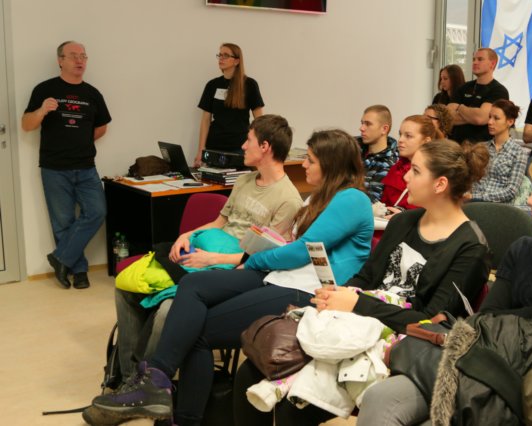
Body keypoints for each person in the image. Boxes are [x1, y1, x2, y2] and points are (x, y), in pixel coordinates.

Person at [89, 129, 374, 425]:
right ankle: (157, 381)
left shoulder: (352, 199)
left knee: (197, 333)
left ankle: (171, 403)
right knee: (192, 284)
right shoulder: (317, 198)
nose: (304, 164)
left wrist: (252, 260)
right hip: (280, 276)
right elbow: (294, 248)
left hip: (308, 293)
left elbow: (302, 251)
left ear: (331, 164)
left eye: (311, 160)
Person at [356, 146, 532, 425]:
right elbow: (484, 321)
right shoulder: (524, 249)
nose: (531, 200)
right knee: (379, 398)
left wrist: (511, 327)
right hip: (481, 365)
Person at [232, 139, 492, 426]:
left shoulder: (470, 248)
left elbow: (430, 323)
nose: (405, 176)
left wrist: (356, 303)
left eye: (416, 171)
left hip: (400, 344)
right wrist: (339, 293)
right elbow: (367, 277)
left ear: (440, 184)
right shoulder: (403, 222)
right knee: (251, 372)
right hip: (357, 319)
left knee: (295, 404)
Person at [111, 114, 302, 381]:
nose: (243, 146)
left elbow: (261, 257)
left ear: (265, 147)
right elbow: (219, 222)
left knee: (167, 307)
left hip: (234, 270)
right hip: (206, 254)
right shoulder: (245, 181)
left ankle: (148, 380)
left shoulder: (289, 200)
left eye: (248, 140)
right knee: (126, 286)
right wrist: (187, 235)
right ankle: (129, 376)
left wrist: (210, 259)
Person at [21, 41, 111, 290]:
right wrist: (42, 110)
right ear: (60, 60)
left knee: (97, 212)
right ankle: (79, 271)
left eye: (83, 56)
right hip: (54, 167)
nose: (80, 60)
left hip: (86, 166)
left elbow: (102, 126)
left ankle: (60, 258)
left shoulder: (92, 93)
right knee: (63, 222)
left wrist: (80, 142)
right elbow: (26, 125)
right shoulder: (44, 89)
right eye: (73, 56)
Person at [194, 43, 264, 166]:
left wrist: (258, 146)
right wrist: (201, 149)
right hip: (214, 147)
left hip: (239, 148)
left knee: (238, 179)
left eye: (226, 55)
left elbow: (260, 120)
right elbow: (205, 120)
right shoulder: (212, 85)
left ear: (236, 61)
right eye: (220, 55)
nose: (221, 58)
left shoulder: (249, 84)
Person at [471, 99, 528, 204]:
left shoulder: (518, 153)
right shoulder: (482, 147)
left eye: (496, 118)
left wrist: (477, 197)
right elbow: (471, 179)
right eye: (490, 117)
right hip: (473, 201)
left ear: (510, 122)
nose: (490, 122)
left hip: (498, 206)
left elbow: (511, 191)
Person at [448, 48, 509, 144]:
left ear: (492, 64)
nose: (475, 62)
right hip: (455, 145)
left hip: (482, 147)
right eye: (474, 59)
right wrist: (473, 115)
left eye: (480, 59)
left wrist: (460, 107)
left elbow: (480, 118)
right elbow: (447, 117)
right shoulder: (463, 87)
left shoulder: (498, 91)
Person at [380, 115, 436, 216]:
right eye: (400, 134)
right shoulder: (395, 168)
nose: (400, 140)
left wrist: (404, 216)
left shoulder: (434, 172)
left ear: (426, 141)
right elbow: (384, 205)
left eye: (408, 136)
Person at [356, 105, 398, 202]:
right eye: (362, 123)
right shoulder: (352, 147)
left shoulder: (390, 162)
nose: (361, 128)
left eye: (368, 124)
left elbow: (372, 201)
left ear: (384, 129)